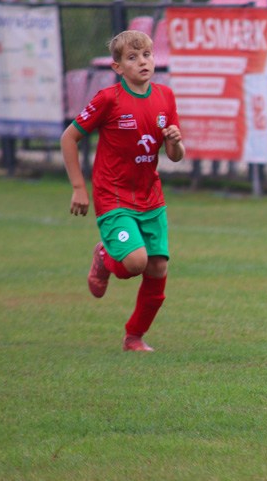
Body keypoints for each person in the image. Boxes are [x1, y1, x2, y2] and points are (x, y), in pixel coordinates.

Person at [60, 30, 185, 353]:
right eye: (132, 57)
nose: (142, 62)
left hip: (150, 197)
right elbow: (69, 138)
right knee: (135, 262)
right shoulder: (108, 99)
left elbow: (174, 156)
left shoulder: (166, 97)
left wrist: (175, 141)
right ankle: (104, 255)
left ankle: (134, 337)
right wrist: (78, 187)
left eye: (146, 55)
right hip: (113, 195)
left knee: (158, 268)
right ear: (118, 68)